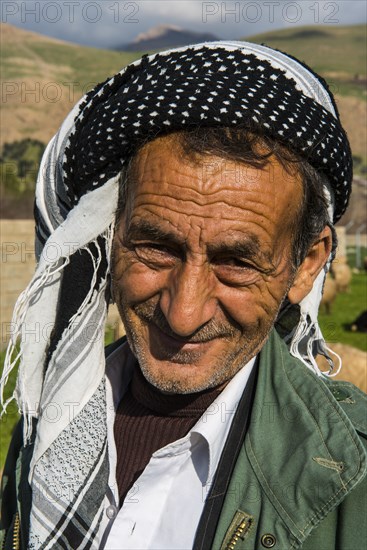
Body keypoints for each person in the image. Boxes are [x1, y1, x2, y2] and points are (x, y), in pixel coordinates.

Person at [1, 41, 366, 550]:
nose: (184, 312)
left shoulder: (352, 477)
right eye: (156, 248)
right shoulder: (46, 428)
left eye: (236, 262)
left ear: (305, 263)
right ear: (110, 235)